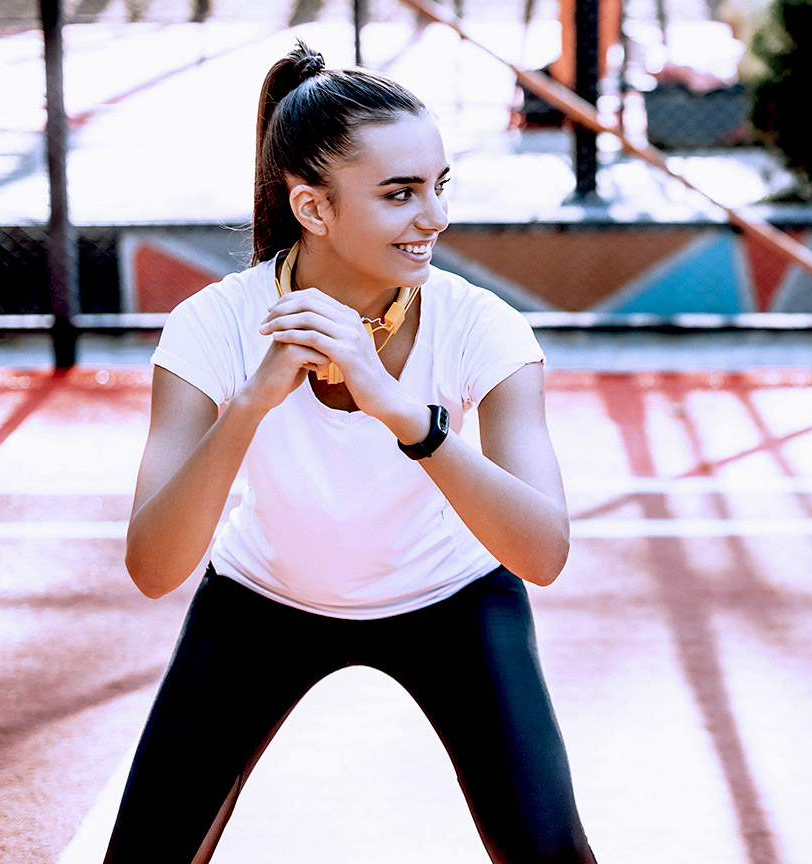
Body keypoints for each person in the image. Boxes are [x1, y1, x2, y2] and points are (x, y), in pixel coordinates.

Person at [107, 42, 596, 864]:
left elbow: (542, 552)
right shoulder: (214, 324)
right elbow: (154, 568)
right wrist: (252, 404)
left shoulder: (483, 326)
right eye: (400, 194)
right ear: (315, 208)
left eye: (439, 187)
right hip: (261, 600)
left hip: (456, 600)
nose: (433, 217)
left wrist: (409, 415)